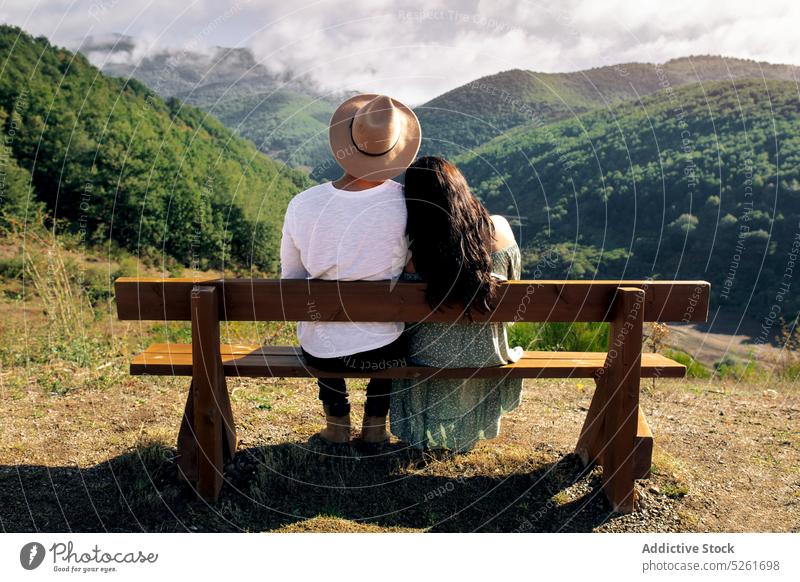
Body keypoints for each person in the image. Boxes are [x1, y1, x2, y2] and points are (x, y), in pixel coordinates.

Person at [280, 94, 421, 444]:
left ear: (346, 143)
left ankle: (337, 424)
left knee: (319, 327)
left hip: (323, 353)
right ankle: (375, 426)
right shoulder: (409, 203)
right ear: (395, 151)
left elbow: (292, 280)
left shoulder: (302, 204)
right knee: (391, 324)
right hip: (385, 352)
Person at [390, 156, 524, 453]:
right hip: (487, 355)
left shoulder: (411, 248)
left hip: (425, 358)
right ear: (460, 187)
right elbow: (513, 291)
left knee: (420, 343)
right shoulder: (499, 228)